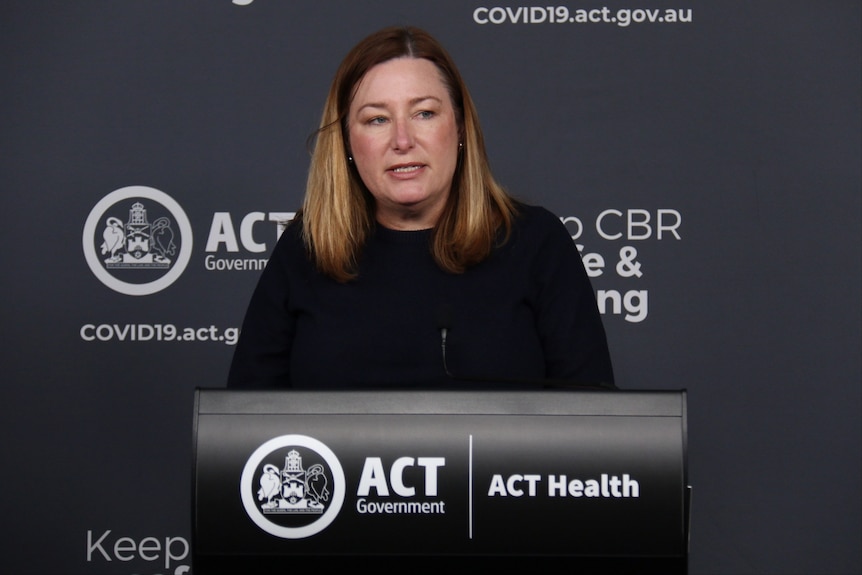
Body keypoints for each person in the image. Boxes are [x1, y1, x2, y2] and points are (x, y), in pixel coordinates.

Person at [227, 25, 614, 390]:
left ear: (460, 128)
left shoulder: (535, 244)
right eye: (377, 119)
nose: (402, 140)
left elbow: (597, 430)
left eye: (424, 113)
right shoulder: (305, 249)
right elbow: (241, 432)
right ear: (346, 142)